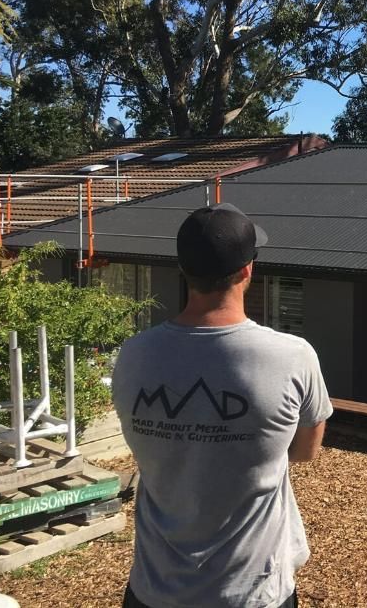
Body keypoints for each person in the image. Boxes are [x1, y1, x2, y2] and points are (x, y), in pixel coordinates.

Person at [112, 203, 333, 608]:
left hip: (152, 591)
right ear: (248, 271)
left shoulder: (134, 355)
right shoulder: (291, 357)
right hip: (252, 594)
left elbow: (147, 447)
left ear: (183, 269)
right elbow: (305, 451)